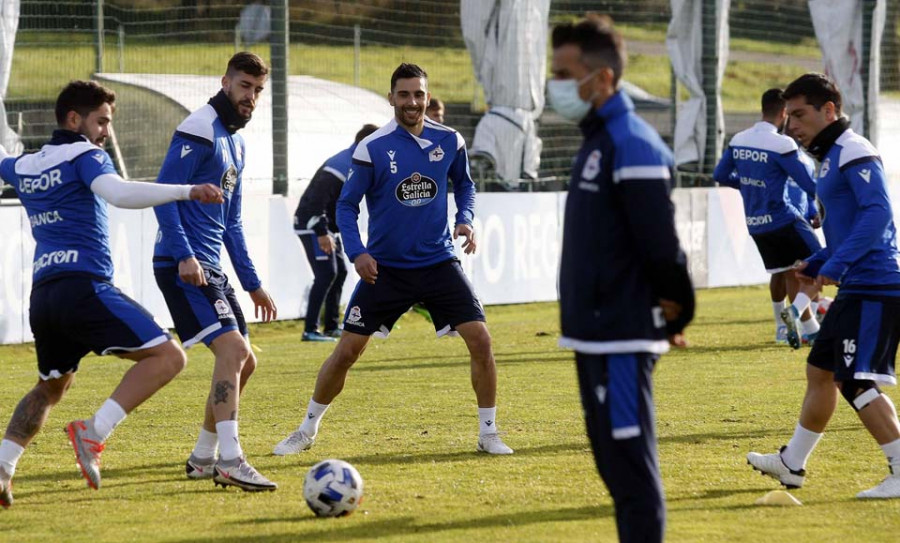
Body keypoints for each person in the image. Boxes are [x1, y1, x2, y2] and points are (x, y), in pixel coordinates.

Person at [0, 80, 223, 508]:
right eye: (101, 121)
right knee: (169, 356)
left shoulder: (23, 165)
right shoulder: (85, 155)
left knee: (52, 385)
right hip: (84, 286)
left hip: (44, 296)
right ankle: (93, 432)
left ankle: (3, 467)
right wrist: (187, 190)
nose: (106, 131)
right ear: (73, 119)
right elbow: (118, 193)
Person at [272, 63, 514, 457]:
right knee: (347, 351)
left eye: (419, 94)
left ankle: (488, 432)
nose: (413, 102)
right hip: (386, 269)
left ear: (426, 95)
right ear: (392, 99)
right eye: (404, 95)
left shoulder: (450, 140)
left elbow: (466, 186)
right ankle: (306, 430)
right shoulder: (373, 147)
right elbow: (347, 206)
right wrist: (358, 253)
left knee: (481, 340)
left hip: (439, 263)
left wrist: (466, 220)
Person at [549, 16, 694, 542]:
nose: (556, 85)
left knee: (631, 471)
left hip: (623, 336)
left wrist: (680, 307)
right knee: (614, 468)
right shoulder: (597, 140)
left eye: (564, 73)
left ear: (603, 78)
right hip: (594, 334)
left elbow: (661, 244)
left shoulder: (632, 143)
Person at [747, 73, 900, 499]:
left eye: (798, 114)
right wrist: (816, 260)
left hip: (875, 284)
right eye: (787, 115)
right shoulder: (829, 156)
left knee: (854, 380)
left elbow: (877, 215)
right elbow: (847, 226)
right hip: (858, 283)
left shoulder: (853, 150)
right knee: (820, 372)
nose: (790, 124)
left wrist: (838, 262)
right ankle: (792, 463)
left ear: (828, 110)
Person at [152, 52, 278, 492]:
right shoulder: (199, 127)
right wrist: (183, 254)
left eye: (259, 90)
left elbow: (233, 222)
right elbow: (164, 195)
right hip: (182, 264)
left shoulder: (236, 142)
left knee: (246, 362)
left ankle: (203, 456)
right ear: (225, 82)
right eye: (245, 86)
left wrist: (253, 283)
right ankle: (231, 459)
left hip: (211, 267)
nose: (251, 97)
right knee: (234, 353)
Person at [713, 88, 822, 348]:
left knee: (787, 273)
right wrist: (827, 204)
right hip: (784, 218)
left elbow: (720, 174)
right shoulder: (781, 144)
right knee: (823, 264)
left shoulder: (740, 139)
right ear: (784, 112)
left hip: (756, 225)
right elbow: (808, 183)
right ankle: (796, 316)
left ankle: (804, 330)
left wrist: (748, 185)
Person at [294, 124, 379, 342]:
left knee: (339, 272)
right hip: (312, 225)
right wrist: (322, 231)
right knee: (326, 274)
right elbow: (316, 201)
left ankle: (331, 326)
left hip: (327, 227)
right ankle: (310, 330)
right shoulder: (340, 165)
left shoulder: (355, 161)